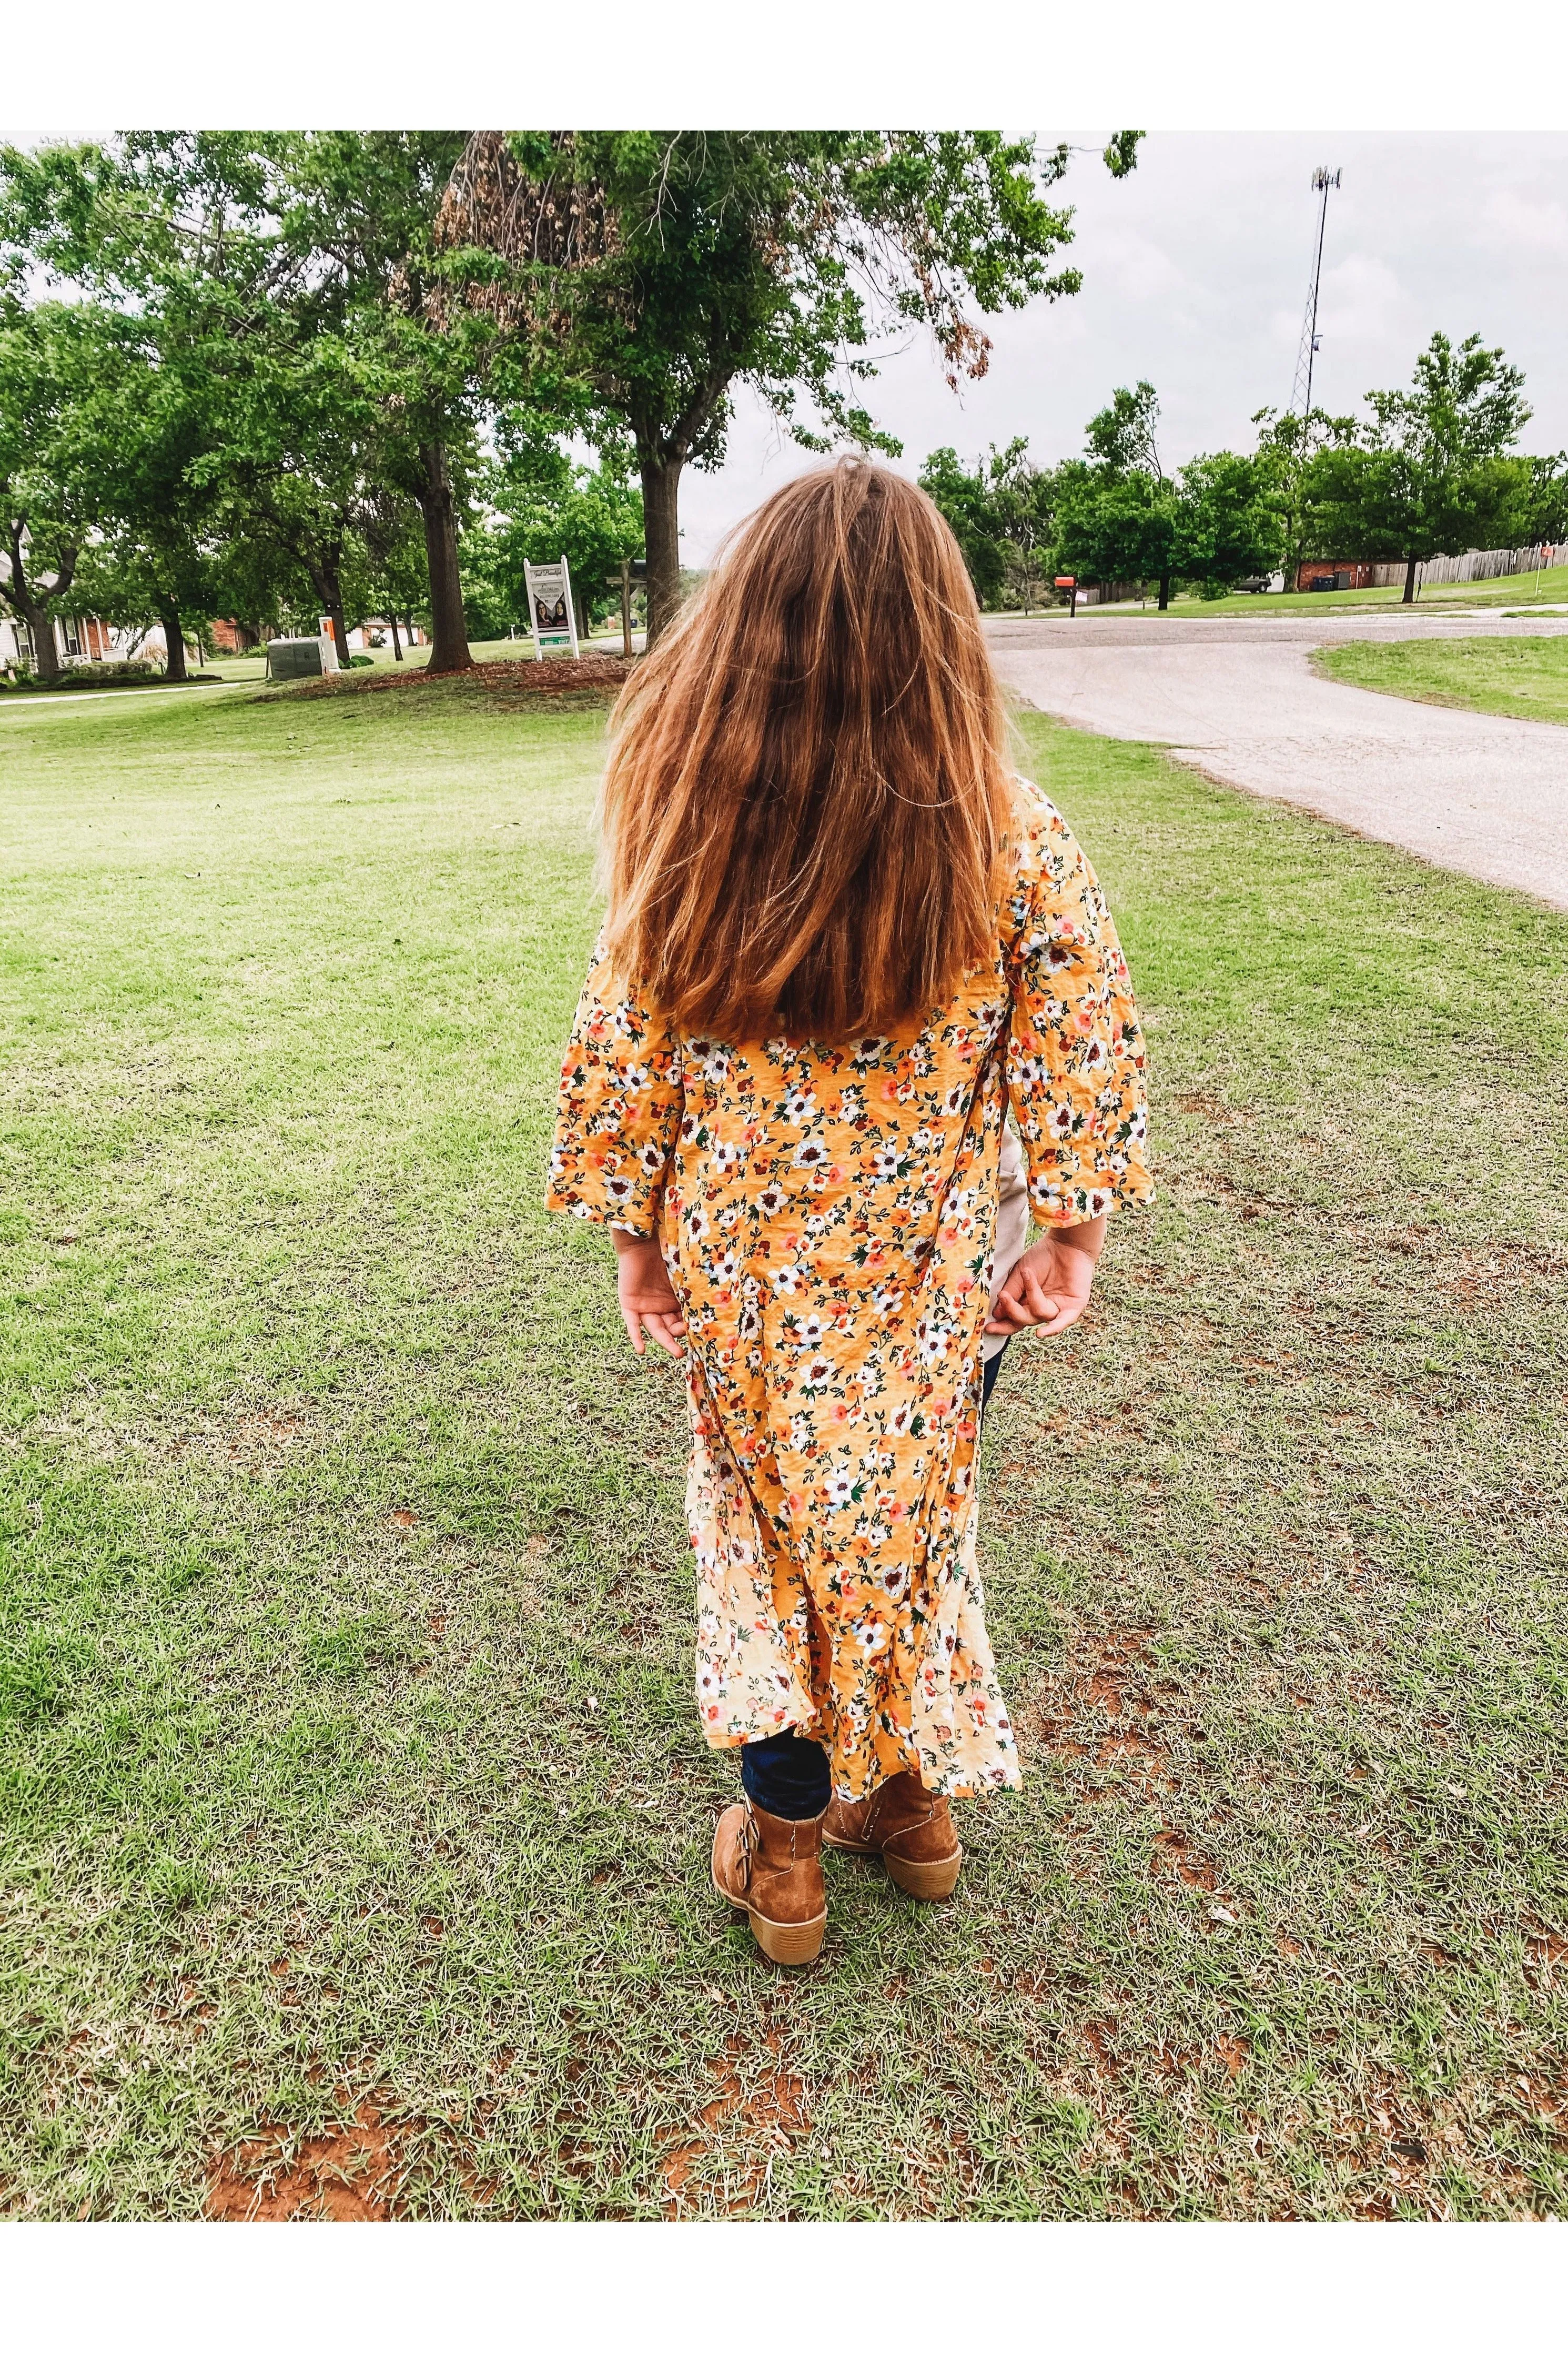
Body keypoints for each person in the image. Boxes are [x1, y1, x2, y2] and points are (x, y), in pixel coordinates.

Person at [548, 459, 1151, 1966]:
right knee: (904, 1529)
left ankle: (793, 1847)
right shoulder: (1007, 825)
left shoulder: (692, 817)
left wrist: (636, 1243)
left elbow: (625, 1045)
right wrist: (1066, 1235)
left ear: (746, 622)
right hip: (935, 1284)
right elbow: (1082, 1030)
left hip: (744, 1277)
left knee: (762, 1551)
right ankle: (912, 1810)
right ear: (940, 628)